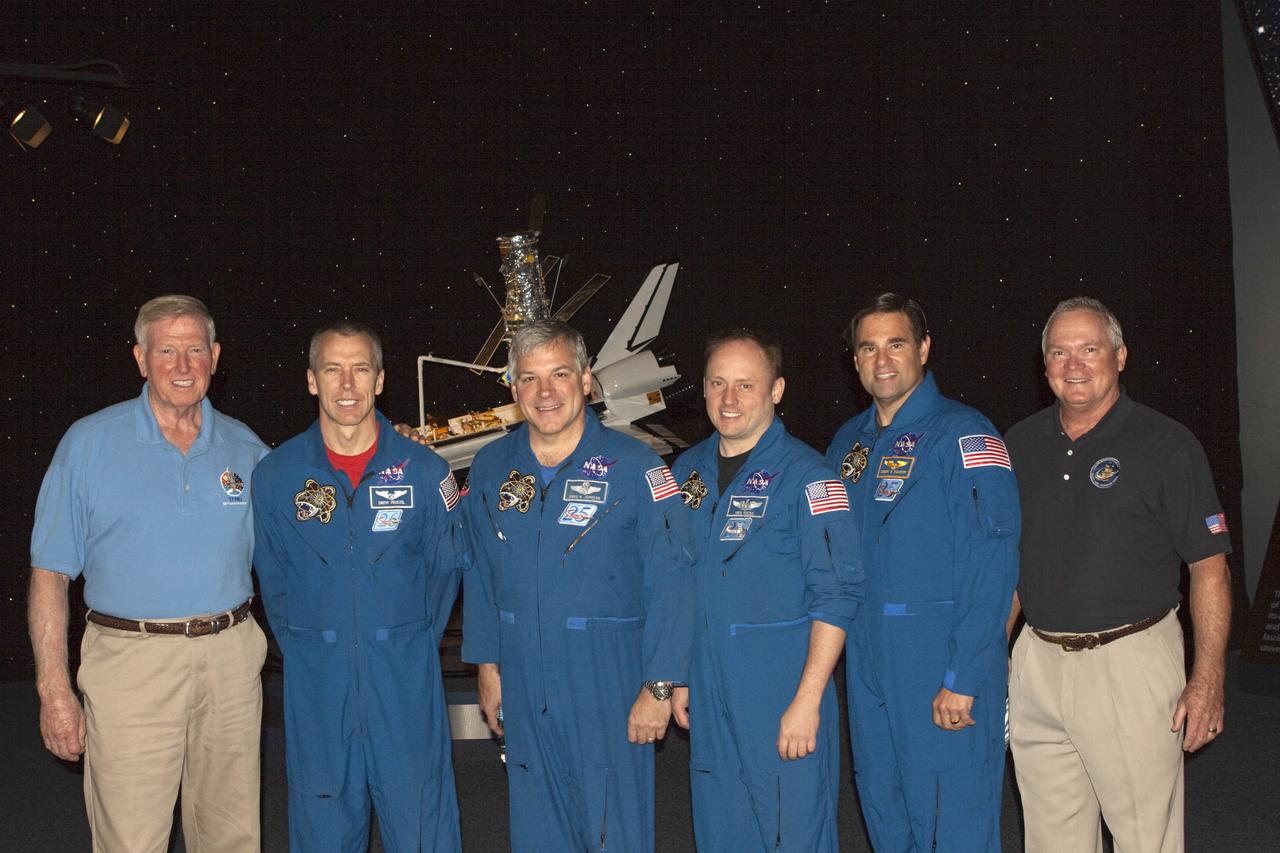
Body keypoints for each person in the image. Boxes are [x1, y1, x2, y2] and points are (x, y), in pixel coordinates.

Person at [29, 294, 269, 852]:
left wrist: (388, 449)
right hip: (130, 664)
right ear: (141, 358)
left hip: (231, 661)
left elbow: (310, 530)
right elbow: (49, 575)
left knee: (232, 838)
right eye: (167, 351)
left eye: (194, 350)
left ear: (215, 356)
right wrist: (53, 689)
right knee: (132, 840)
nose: (182, 366)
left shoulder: (247, 448)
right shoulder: (88, 444)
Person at [1005, 297, 1231, 853]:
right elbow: (1007, 565)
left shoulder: (1168, 444)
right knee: (1051, 838)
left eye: (1089, 349)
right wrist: (989, 655)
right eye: (1059, 352)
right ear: (1045, 364)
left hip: (1129, 664)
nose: (1074, 364)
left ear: (1120, 356)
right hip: (1036, 664)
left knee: (1143, 840)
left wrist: (1208, 679)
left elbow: (1209, 567)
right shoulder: (1018, 445)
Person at [461, 319, 694, 853]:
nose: (546, 392)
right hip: (521, 670)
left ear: (586, 380)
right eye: (530, 378)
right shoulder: (492, 466)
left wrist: (659, 685)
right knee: (539, 830)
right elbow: (478, 571)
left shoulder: (637, 466)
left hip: (607, 677)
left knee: (616, 830)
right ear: (515, 389)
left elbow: (673, 579)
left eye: (560, 374)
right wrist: (488, 668)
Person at [251, 321, 467, 852]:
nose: (346, 384)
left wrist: (402, 639)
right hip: (317, 683)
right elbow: (273, 581)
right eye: (332, 369)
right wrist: (314, 642)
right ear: (310, 380)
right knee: (322, 822)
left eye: (360, 369)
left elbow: (446, 574)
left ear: (380, 381)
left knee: (420, 821)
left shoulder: (425, 470)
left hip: (404, 679)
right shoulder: (276, 475)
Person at [825, 293, 1020, 852]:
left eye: (896, 344)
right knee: (885, 809)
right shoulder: (847, 444)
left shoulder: (966, 435)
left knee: (951, 819)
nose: (882, 360)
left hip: (939, 659)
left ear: (925, 349)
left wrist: (964, 675)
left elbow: (994, 566)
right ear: (854, 360)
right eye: (868, 347)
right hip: (867, 661)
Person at [670, 329, 862, 853]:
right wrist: (681, 677)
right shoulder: (686, 473)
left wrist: (808, 700)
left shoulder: (810, 478)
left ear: (776, 391)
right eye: (717, 384)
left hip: (779, 693)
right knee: (722, 831)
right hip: (709, 690)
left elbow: (837, 597)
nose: (729, 399)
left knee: (792, 833)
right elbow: (679, 584)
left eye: (745, 385)